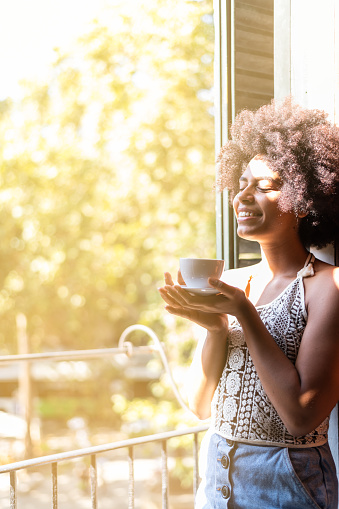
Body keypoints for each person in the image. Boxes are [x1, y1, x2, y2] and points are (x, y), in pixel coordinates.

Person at [158, 97, 339, 509]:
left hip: (287, 482)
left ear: (303, 196)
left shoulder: (329, 286)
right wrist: (216, 330)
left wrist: (244, 313)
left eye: (264, 186)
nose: (242, 197)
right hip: (216, 477)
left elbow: (301, 417)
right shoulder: (232, 283)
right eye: (240, 184)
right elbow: (200, 406)